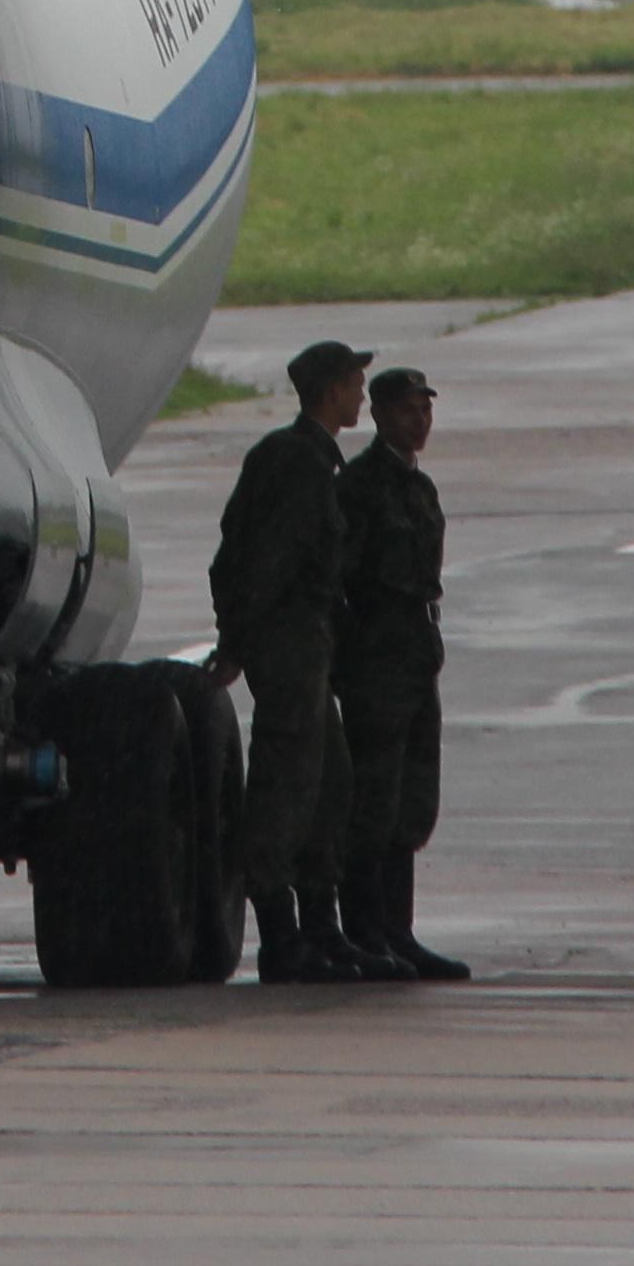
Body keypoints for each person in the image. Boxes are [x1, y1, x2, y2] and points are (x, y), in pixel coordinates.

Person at [208, 336, 374, 982]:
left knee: (330, 785)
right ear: (332, 390)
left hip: (309, 648)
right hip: (289, 650)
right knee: (285, 790)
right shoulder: (296, 464)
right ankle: (280, 937)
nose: (362, 394)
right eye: (356, 384)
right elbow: (263, 563)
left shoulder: (312, 460)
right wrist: (238, 645)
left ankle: (320, 930)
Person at [334, 363, 467, 980]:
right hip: (376, 658)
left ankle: (399, 930)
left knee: (411, 800)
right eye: (410, 410)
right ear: (382, 415)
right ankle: (365, 929)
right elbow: (344, 578)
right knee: (372, 801)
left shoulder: (420, 487)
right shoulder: (359, 487)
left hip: (415, 652)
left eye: (426, 410)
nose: (421, 421)